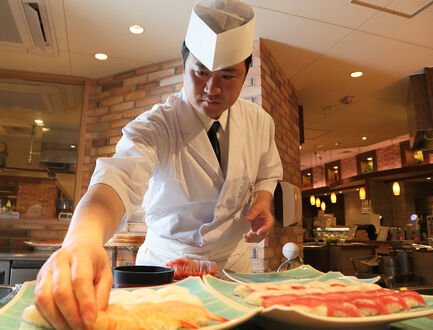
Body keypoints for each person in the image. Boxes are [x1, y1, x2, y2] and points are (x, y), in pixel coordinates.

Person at [34, 0, 283, 328]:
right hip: (165, 269)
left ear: (245, 73)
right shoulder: (154, 126)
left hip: (231, 268)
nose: (212, 88)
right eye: (200, 72)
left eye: (227, 75)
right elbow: (115, 183)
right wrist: (82, 240)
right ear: (184, 63)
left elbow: (267, 170)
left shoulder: (260, 122)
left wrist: (264, 199)